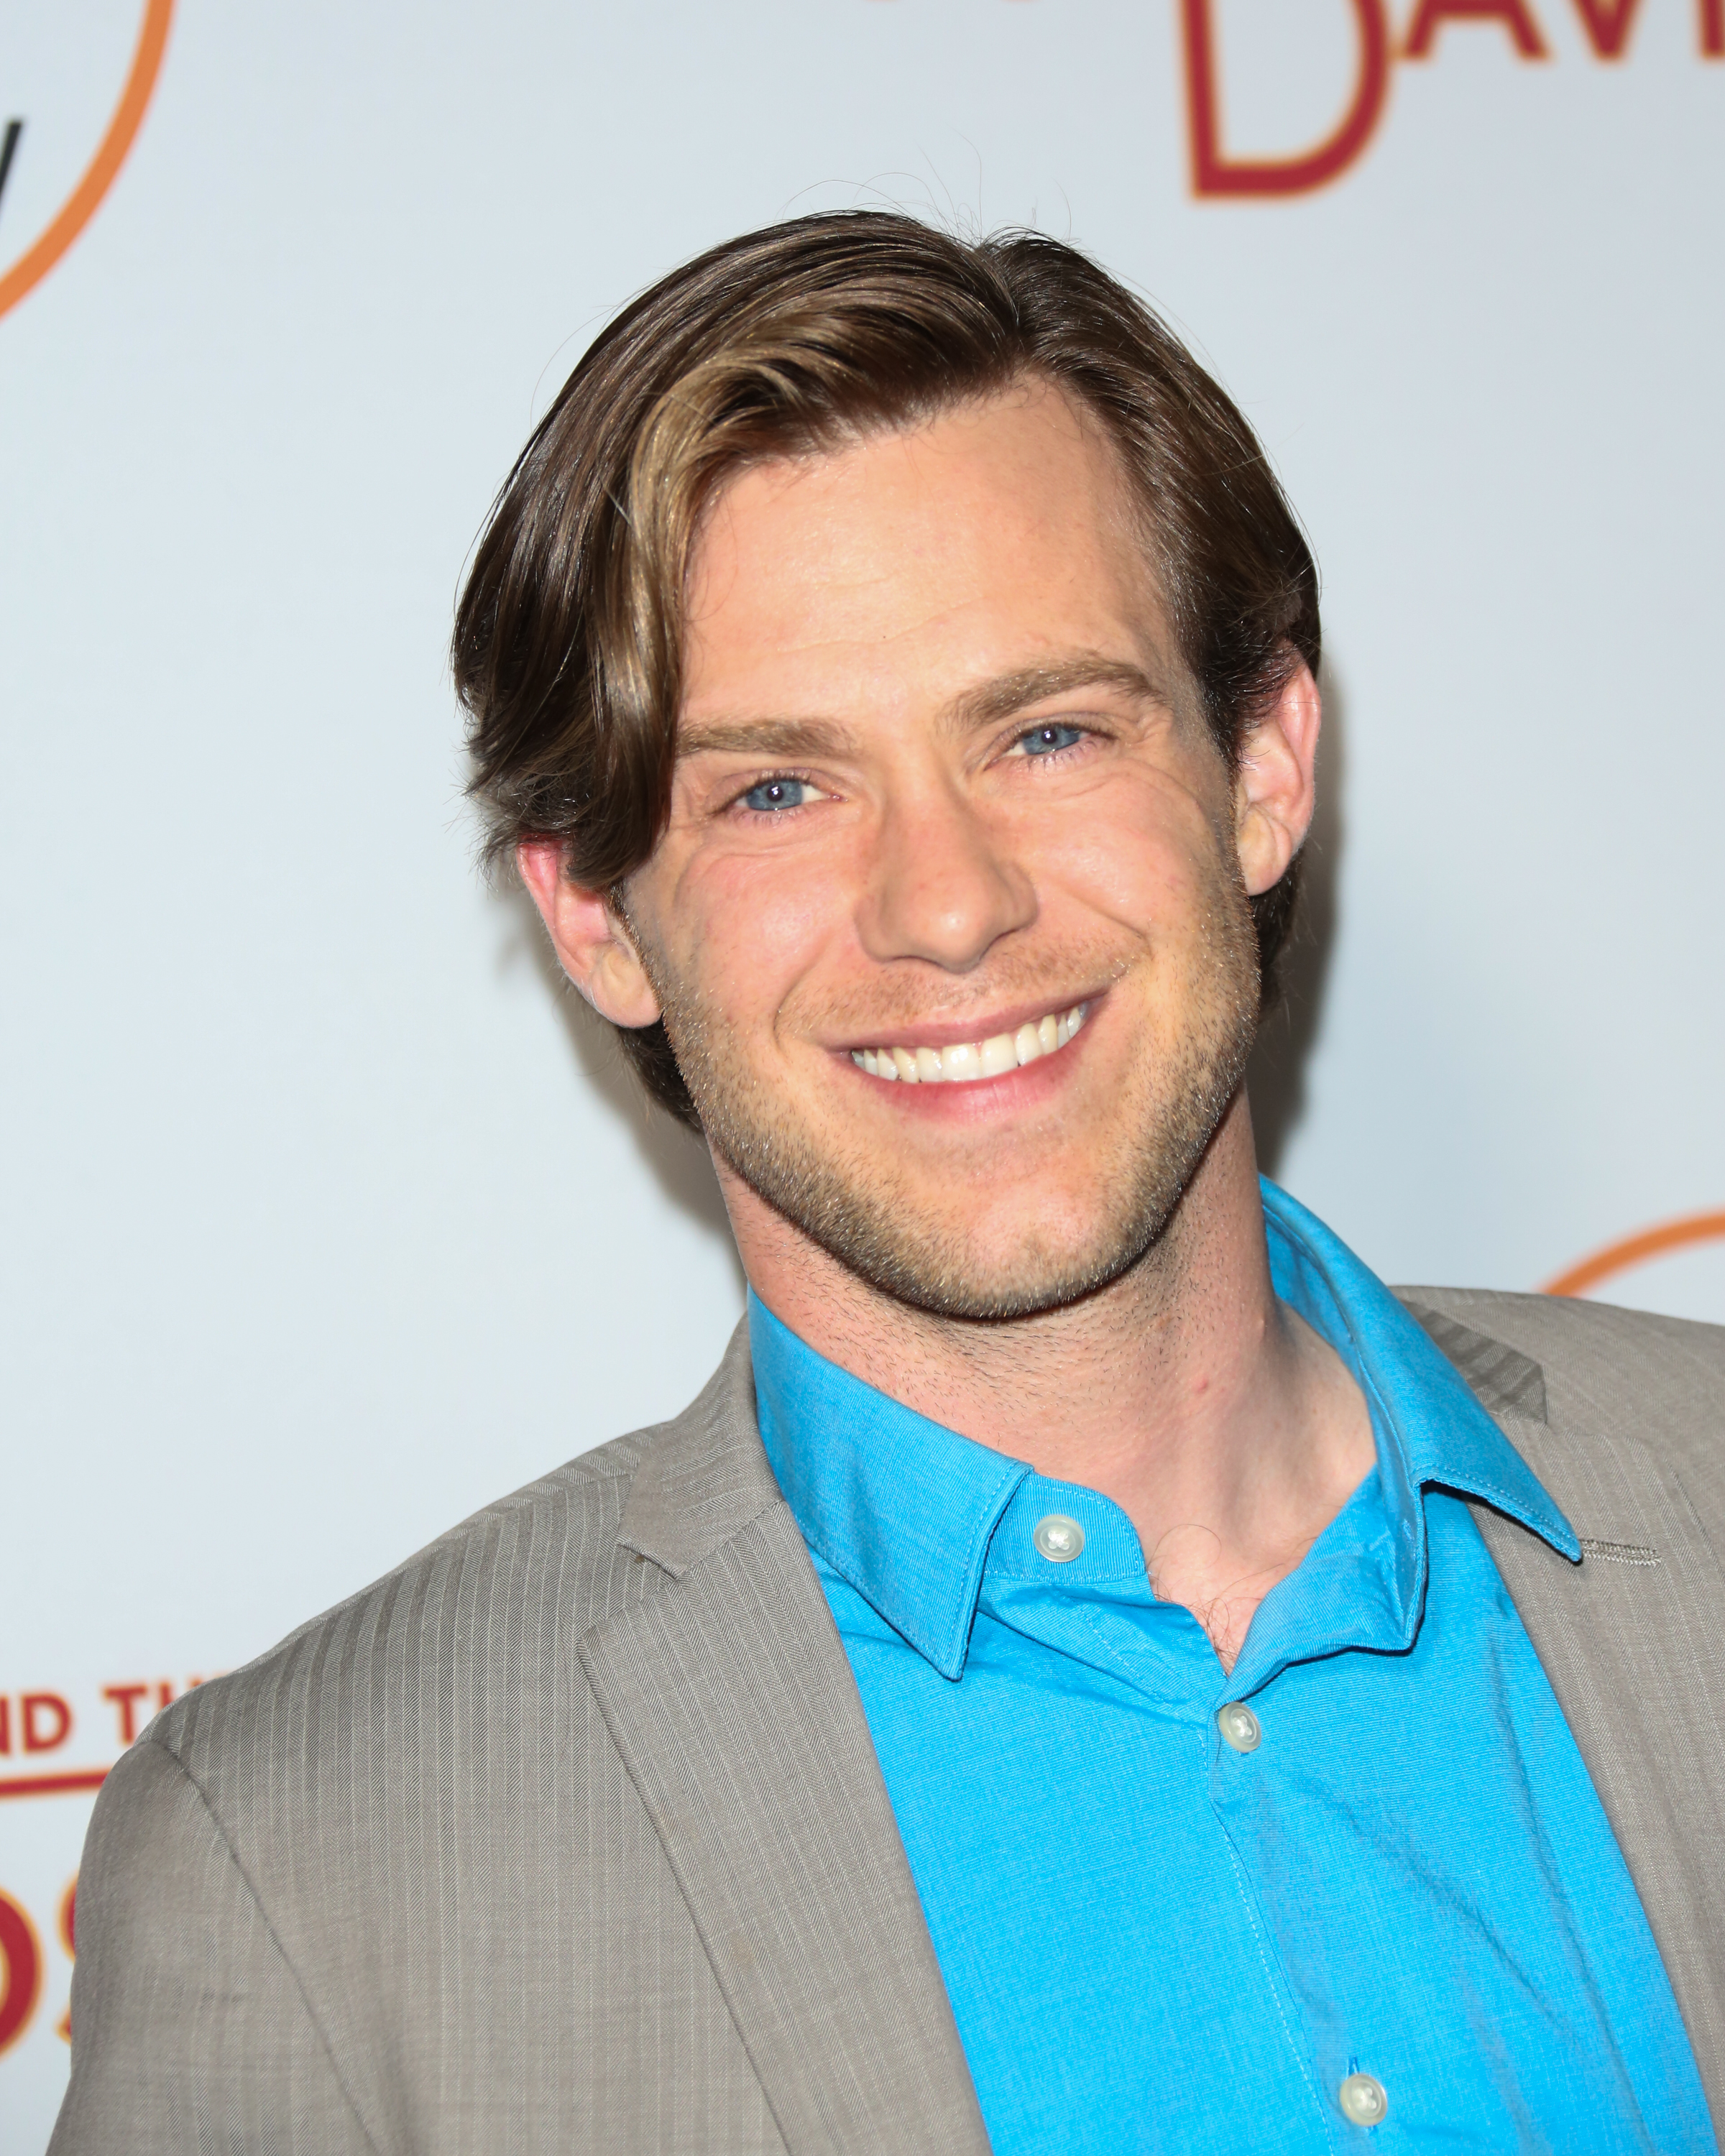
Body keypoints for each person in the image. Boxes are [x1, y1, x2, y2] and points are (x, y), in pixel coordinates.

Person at [52, 212, 1725, 2156]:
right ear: (596, 915)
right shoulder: (313, 1874)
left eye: (1045, 730)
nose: (947, 905)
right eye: (776, 787)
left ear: (1264, 765)